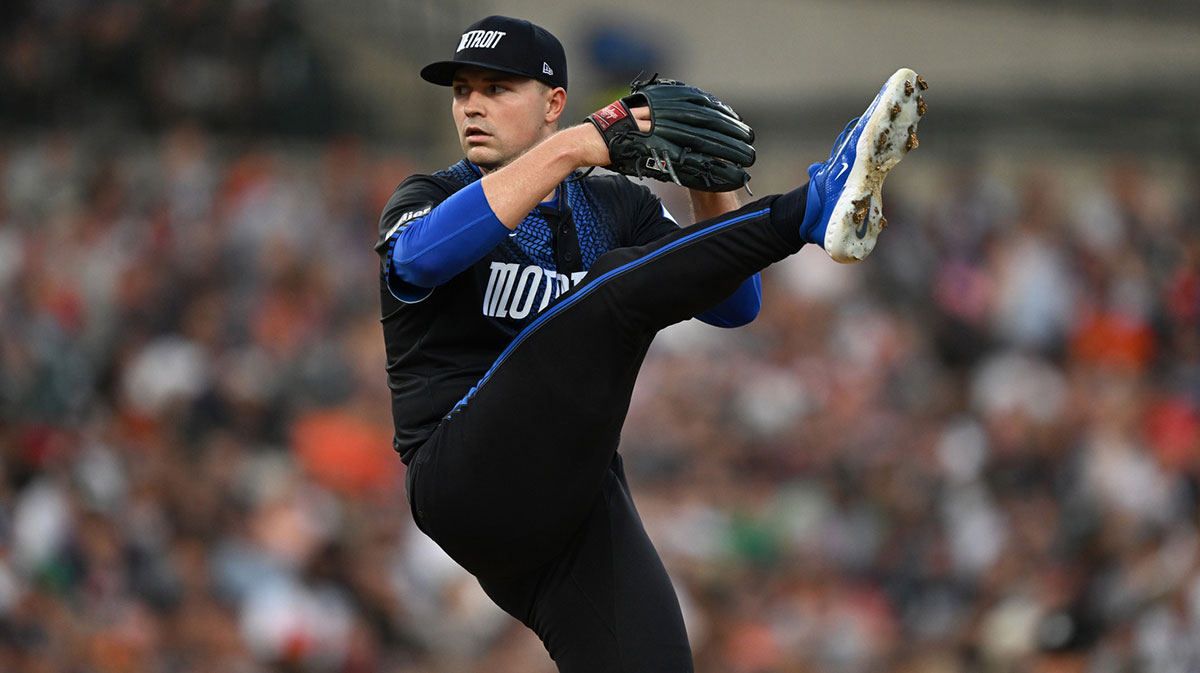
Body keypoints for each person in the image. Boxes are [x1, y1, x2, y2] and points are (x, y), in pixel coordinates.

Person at [374, 15, 926, 672]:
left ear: (553, 103)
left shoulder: (613, 206)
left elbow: (734, 303)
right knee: (608, 293)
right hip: (466, 474)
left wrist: (713, 177)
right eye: (463, 89)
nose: (472, 104)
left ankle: (813, 206)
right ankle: (813, 204)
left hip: (571, 499)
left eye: (497, 88)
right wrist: (579, 144)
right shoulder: (431, 195)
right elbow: (418, 258)